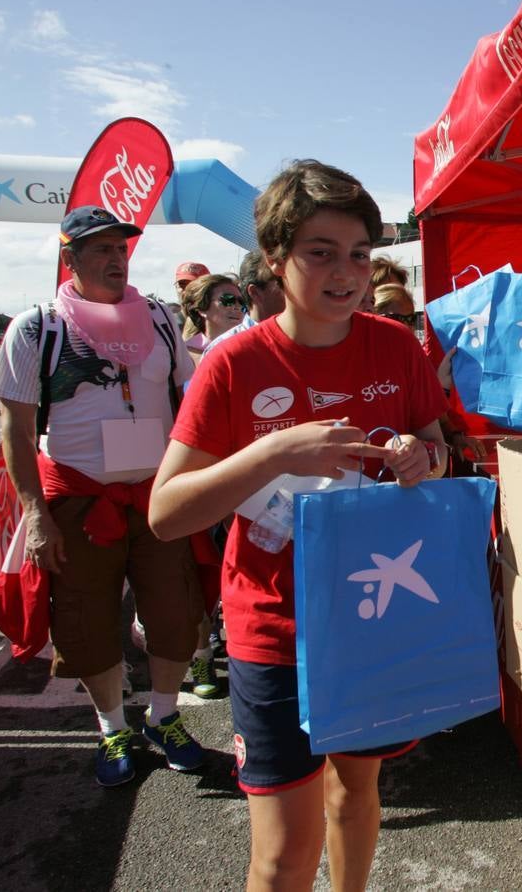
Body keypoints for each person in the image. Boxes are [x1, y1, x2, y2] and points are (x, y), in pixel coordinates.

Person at [149, 160, 449, 891]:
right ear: (276, 260)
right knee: (283, 855)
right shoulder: (232, 366)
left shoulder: (394, 345)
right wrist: (271, 451)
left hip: (376, 619)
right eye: (321, 252)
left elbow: (440, 450)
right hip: (275, 632)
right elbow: (165, 513)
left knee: (356, 797)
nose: (344, 271)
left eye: (357, 253)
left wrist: (424, 458)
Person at [0, 205, 206, 787]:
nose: (116, 259)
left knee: (175, 609)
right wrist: (37, 515)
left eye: (122, 249)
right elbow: (16, 429)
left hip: (157, 496)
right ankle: (113, 725)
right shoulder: (36, 328)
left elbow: (192, 405)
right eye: (101, 250)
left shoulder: (162, 318)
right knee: (85, 619)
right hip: (80, 500)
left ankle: (165, 719)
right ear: (71, 258)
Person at [375, 283, 488, 466]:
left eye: (411, 319)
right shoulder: (355, 361)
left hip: (410, 475)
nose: (408, 327)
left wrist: (456, 436)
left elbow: (431, 421)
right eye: (397, 318)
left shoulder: (412, 360)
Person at [204, 250, 285, 354]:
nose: (294, 290)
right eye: (282, 283)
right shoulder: (223, 351)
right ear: (255, 293)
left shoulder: (305, 340)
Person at [180, 274, 244, 365]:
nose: (237, 307)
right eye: (228, 300)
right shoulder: (184, 355)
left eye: (242, 302)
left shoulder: (252, 347)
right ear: (202, 308)